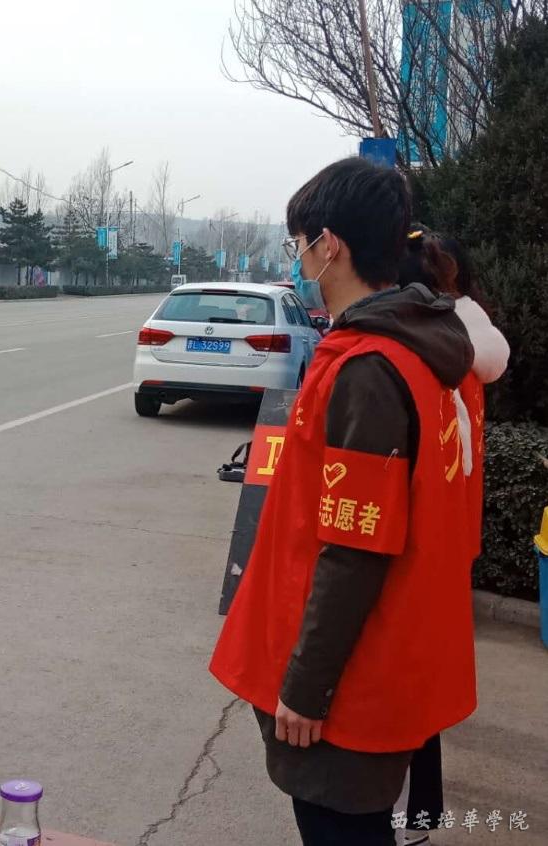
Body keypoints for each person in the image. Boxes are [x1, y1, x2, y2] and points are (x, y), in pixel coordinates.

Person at [209, 158, 479, 846]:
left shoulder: (368, 369)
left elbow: (356, 547)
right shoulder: (415, 352)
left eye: (298, 244)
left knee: (340, 828)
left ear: (329, 245)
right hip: (376, 658)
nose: (298, 260)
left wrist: (306, 688)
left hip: (350, 681)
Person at [393, 226, 508, 846]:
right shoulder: (465, 346)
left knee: (405, 679)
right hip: (450, 536)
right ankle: (420, 812)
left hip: (416, 543)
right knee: (424, 678)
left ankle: (409, 814)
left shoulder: (421, 354)